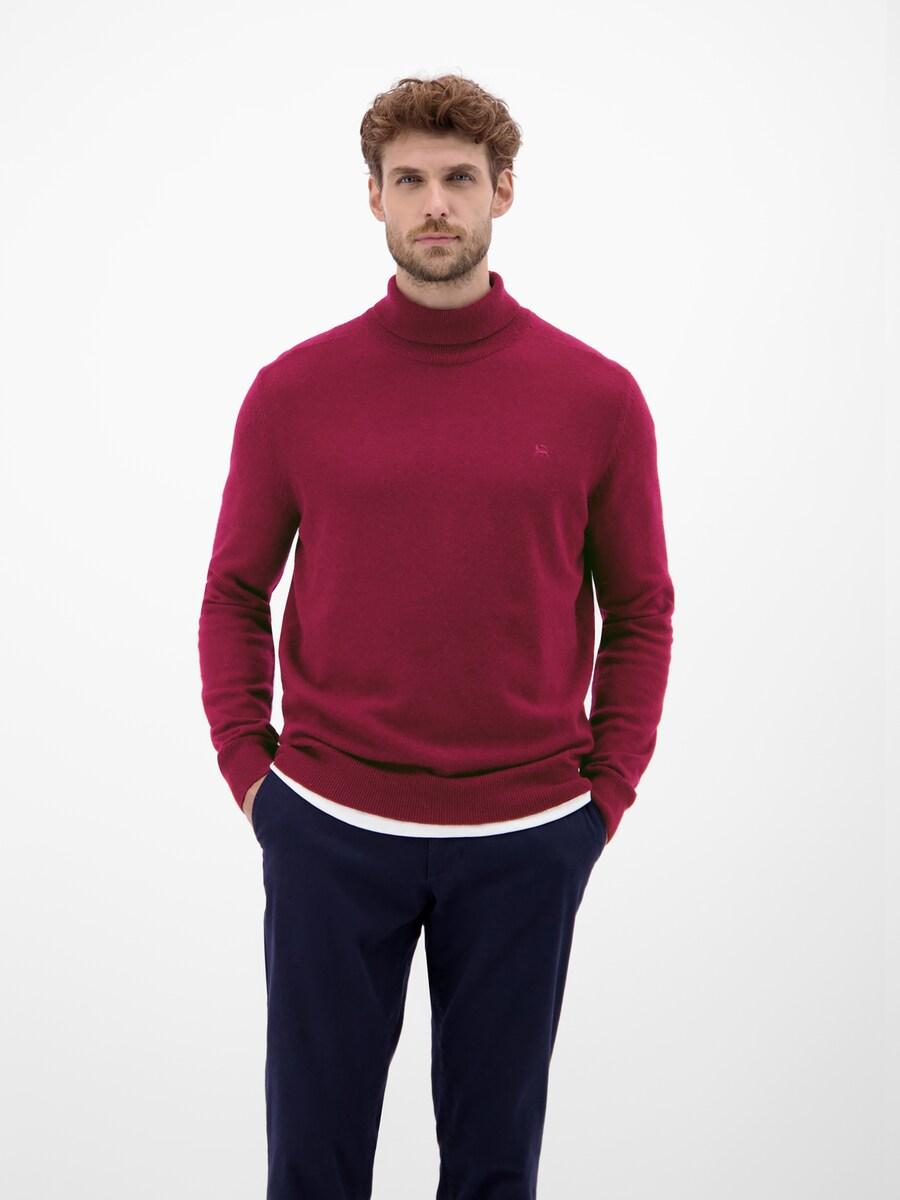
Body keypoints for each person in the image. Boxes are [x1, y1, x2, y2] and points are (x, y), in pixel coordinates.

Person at [198, 72, 675, 1199]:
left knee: (495, 1170)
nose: (436, 204)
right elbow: (233, 590)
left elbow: (642, 609)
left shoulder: (597, 397)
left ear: (504, 190)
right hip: (328, 830)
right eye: (408, 180)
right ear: (373, 197)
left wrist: (604, 797)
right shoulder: (294, 391)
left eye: (460, 178)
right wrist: (252, 777)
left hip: (527, 838)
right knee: (312, 1167)